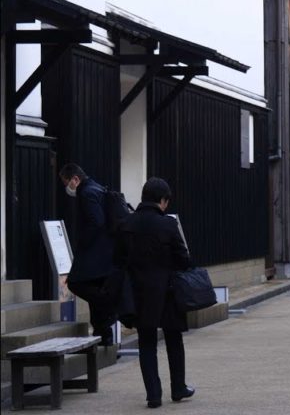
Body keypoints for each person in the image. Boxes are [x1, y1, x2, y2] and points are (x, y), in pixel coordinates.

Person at [114, 177, 192, 409]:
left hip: (139, 293)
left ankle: (153, 395)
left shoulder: (126, 224)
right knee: (173, 339)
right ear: (163, 200)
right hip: (167, 291)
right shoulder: (168, 224)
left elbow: (118, 260)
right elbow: (183, 259)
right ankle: (178, 388)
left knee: (146, 343)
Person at [59, 163, 116, 346]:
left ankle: (108, 301)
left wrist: (83, 243)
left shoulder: (87, 193)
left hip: (94, 253)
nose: (67, 187)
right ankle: (103, 333)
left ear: (75, 179)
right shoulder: (97, 188)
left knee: (75, 283)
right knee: (93, 289)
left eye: (67, 182)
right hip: (104, 253)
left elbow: (96, 221)